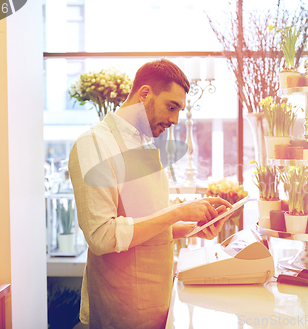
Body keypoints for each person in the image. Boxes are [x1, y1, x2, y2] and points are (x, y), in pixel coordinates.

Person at [68, 59, 232, 329]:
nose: (175, 120)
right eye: (171, 107)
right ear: (144, 93)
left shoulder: (143, 144)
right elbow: (101, 235)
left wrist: (191, 227)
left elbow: (146, 222)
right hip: (123, 312)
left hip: (159, 304)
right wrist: (178, 211)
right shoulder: (94, 144)